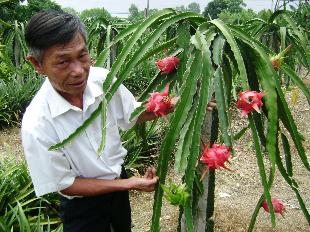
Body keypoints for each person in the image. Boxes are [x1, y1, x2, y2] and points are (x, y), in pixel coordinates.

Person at [22, 10, 216, 232]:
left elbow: (133, 114)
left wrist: (181, 102)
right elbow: (65, 184)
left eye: (82, 56)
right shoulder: (37, 123)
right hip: (82, 208)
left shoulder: (101, 79)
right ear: (37, 64)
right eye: (63, 61)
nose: (78, 71)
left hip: (118, 192)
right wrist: (130, 184)